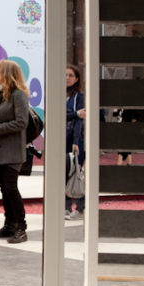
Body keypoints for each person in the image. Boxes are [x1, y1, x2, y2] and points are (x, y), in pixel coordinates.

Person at [0, 59, 30, 244]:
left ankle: (21, 227)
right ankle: (10, 224)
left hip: (12, 150)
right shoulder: (3, 94)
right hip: (0, 150)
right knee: (5, 189)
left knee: (10, 188)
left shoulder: (19, 94)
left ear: (6, 74)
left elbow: (22, 122)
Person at [65, 63, 86, 220]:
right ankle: (65, 207)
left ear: (77, 79)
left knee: (76, 173)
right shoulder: (57, 95)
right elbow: (56, 116)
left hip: (74, 139)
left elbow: (80, 119)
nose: (67, 78)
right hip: (61, 139)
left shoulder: (79, 96)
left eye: (71, 75)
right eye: (65, 75)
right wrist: (75, 114)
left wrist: (76, 141)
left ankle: (79, 207)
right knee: (63, 175)